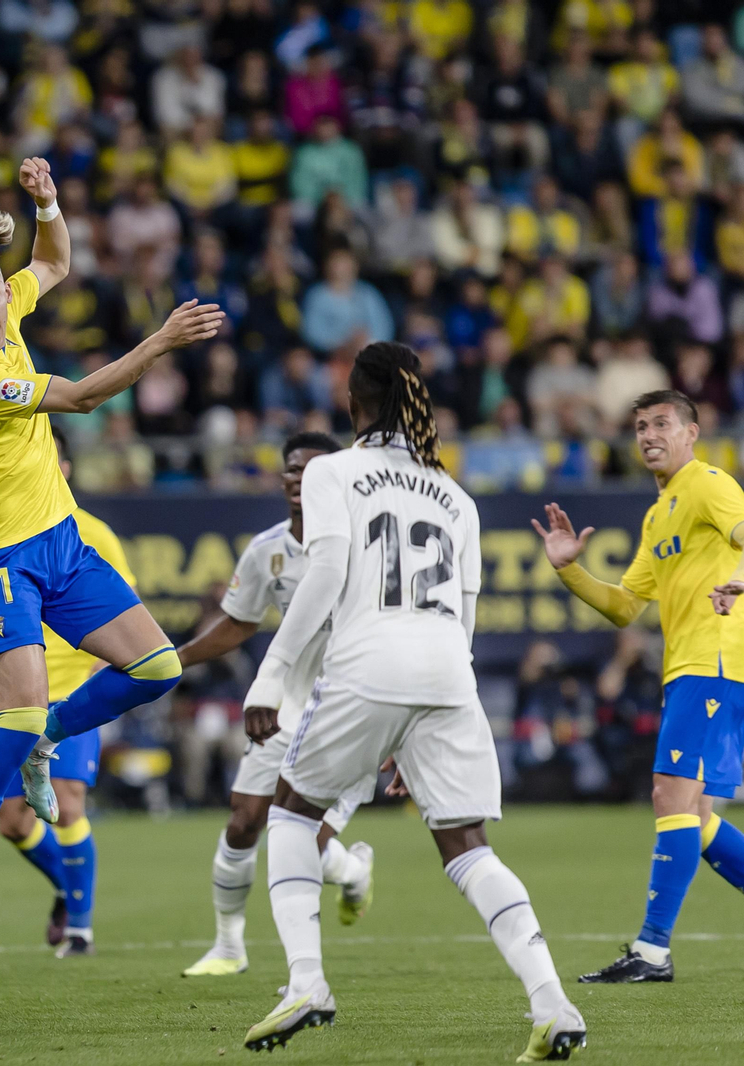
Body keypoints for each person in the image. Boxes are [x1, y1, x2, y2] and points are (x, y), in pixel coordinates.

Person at [241, 342, 584, 1060]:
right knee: (466, 846)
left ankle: (307, 982)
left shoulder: (335, 470)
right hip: (447, 675)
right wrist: (415, 728)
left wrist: (272, 675)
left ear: (352, 403)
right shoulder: (455, 494)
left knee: (291, 813)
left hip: (369, 661)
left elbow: (328, 570)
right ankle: (553, 1003)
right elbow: (464, 616)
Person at [0, 157, 225, 944]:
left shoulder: (7, 306)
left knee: (159, 667)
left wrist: (48, 202)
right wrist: (159, 341)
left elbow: (53, 260)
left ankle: (47, 742)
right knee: (13, 712)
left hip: (61, 541)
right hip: (1, 561)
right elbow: (83, 396)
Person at [535, 389, 744, 983]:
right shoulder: (660, 513)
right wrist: (569, 567)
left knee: (667, 796)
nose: (648, 434)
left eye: (661, 423)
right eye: (640, 426)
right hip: (695, 667)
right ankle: (652, 951)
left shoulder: (707, 483)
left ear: (691, 432)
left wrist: (739, 582)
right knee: (696, 817)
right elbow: (626, 607)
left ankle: (652, 951)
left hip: (716, 662)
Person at [178, 433, 377, 978]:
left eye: (310, 469)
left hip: (354, 709)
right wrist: (176, 658)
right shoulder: (267, 548)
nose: (297, 478)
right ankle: (227, 947)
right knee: (244, 822)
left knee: (303, 843)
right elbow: (240, 623)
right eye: (290, 469)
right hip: (286, 708)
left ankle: (352, 873)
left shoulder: (369, 544)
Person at [0, 424, 129, 958]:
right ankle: (66, 885)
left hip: (69, 697)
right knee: (13, 822)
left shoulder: (93, 533)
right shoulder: (3, 529)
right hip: (17, 700)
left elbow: (124, 612)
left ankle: (80, 930)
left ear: (66, 468)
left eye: (49, 455)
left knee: (70, 805)